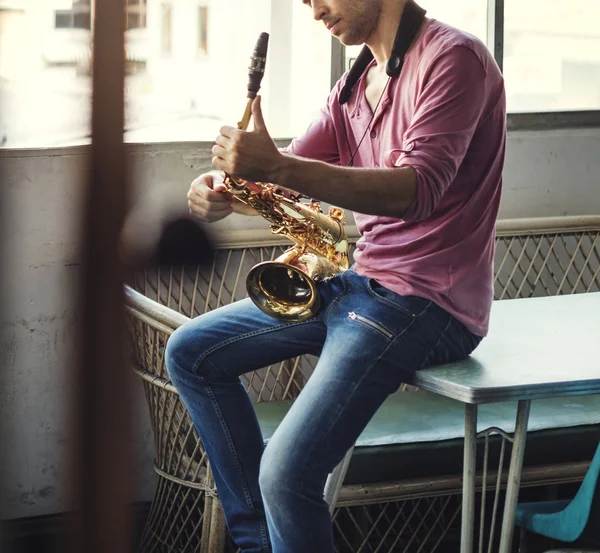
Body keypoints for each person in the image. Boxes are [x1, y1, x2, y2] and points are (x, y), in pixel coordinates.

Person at [165, 0, 506, 551]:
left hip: (427, 302)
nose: (315, 10)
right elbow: (287, 182)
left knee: (285, 472)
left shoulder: (454, 57)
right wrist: (223, 189)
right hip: (363, 286)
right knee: (191, 353)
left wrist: (273, 166)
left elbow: (419, 190)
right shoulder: (355, 82)